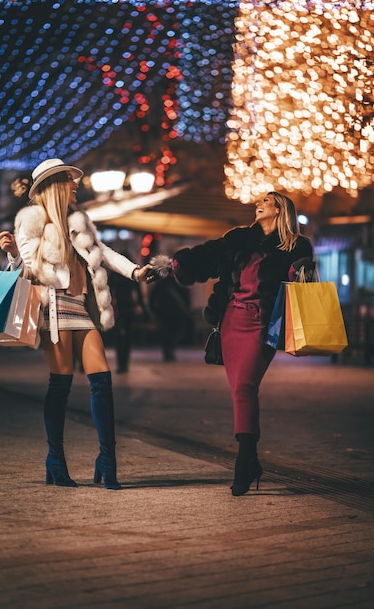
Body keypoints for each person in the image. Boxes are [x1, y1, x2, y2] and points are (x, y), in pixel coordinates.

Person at [0, 158, 152, 489]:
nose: (75, 185)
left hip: (82, 308)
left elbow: (103, 253)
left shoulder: (78, 220)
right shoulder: (31, 220)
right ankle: (55, 459)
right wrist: (12, 255)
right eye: (70, 180)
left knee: (102, 382)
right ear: (54, 186)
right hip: (54, 309)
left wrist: (136, 271)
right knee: (60, 385)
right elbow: (27, 267)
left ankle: (107, 460)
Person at [149, 192, 314, 496]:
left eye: (266, 199)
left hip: (264, 324)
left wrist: (301, 271)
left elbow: (303, 282)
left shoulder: (296, 245)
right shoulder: (239, 239)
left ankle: (244, 461)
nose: (258, 202)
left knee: (245, 388)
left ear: (279, 209)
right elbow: (205, 257)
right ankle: (250, 460)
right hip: (231, 321)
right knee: (240, 388)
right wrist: (169, 266)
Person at [109, 261, 147, 373]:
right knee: (127, 337)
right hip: (129, 307)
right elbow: (138, 293)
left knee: (119, 337)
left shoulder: (115, 274)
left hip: (118, 308)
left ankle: (121, 363)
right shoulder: (132, 273)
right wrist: (142, 307)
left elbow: (110, 290)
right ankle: (124, 364)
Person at [149, 275, 192, 362]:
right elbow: (186, 295)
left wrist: (154, 311)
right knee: (175, 332)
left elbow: (152, 298)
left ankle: (168, 350)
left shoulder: (161, 283)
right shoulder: (178, 282)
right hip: (175, 312)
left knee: (168, 332)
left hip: (165, 312)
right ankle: (169, 350)